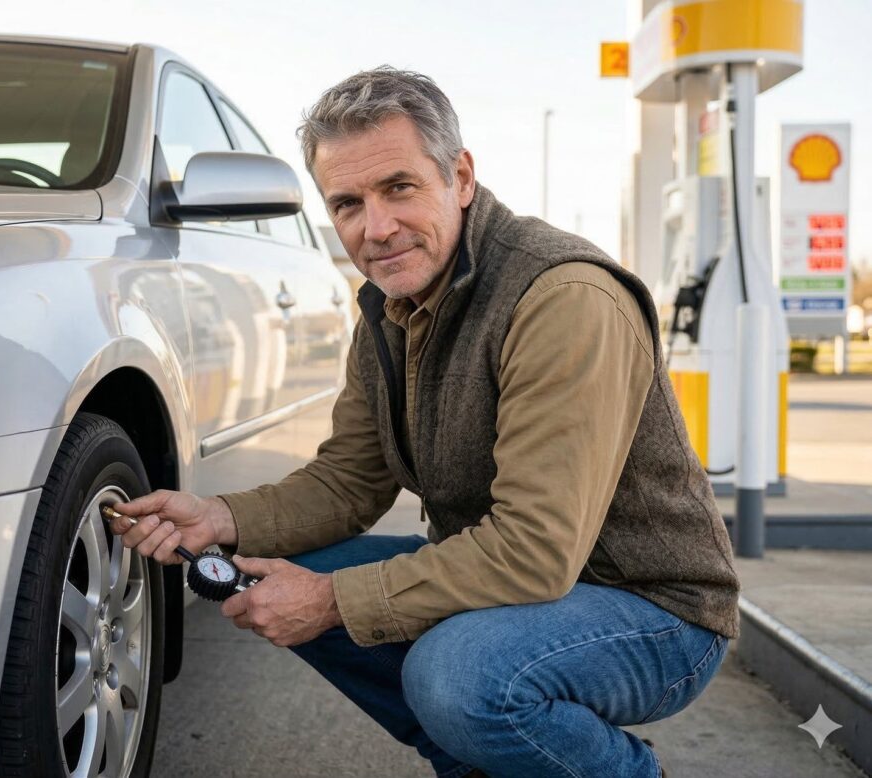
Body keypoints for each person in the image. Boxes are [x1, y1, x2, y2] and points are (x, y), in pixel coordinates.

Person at [107, 67, 738, 778]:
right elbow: (348, 483)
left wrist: (331, 602)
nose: (376, 228)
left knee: (459, 676)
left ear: (460, 178)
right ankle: (484, 763)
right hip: (523, 589)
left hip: (652, 609)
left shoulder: (562, 297)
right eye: (347, 203)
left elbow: (534, 551)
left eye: (399, 188)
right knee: (276, 577)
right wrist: (217, 517)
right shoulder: (387, 307)